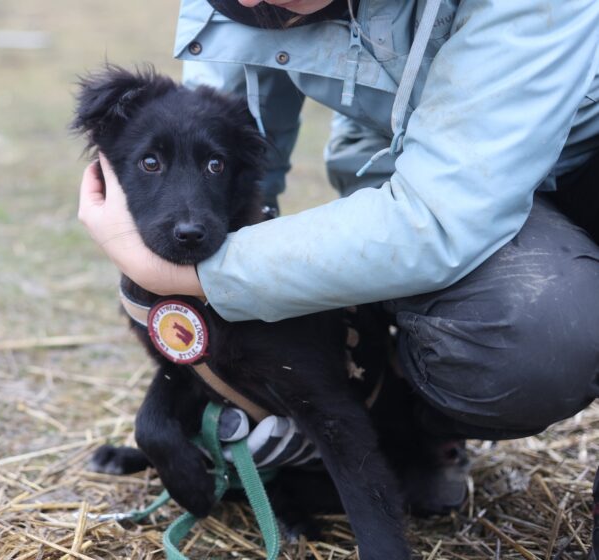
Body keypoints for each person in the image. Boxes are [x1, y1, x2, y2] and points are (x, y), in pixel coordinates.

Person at [78, 0, 599, 513]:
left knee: (529, 338)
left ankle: (412, 433)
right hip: (406, 160)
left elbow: (436, 220)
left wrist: (194, 274)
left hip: (567, 165)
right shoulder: (244, 3)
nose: (251, 1)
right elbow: (230, 131)